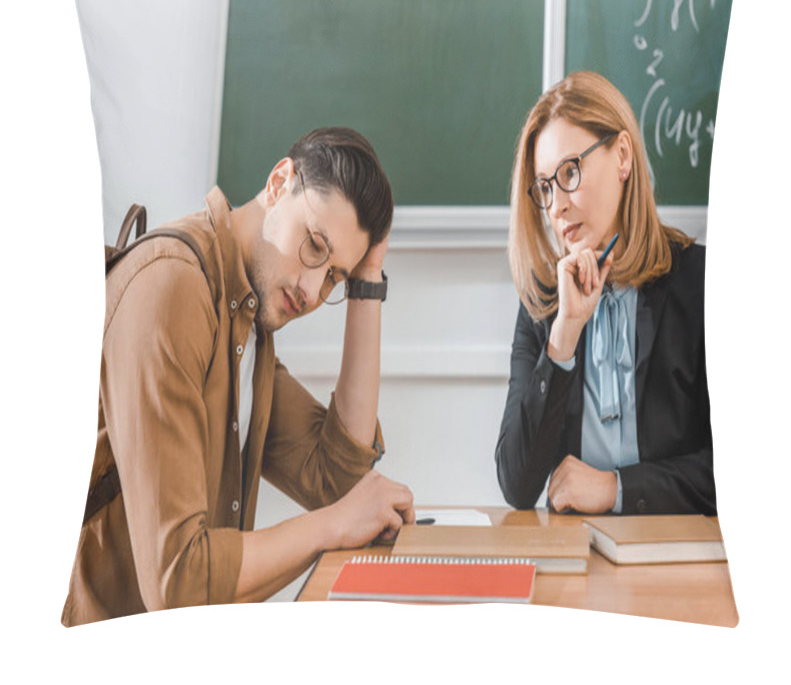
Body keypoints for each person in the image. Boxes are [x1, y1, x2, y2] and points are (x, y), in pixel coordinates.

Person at [62, 127, 415, 626]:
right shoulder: (175, 289)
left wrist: (368, 281)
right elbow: (176, 581)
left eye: (335, 275)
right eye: (315, 246)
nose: (313, 290)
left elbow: (338, 480)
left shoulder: (245, 317)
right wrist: (332, 526)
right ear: (278, 182)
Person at [495, 71, 716, 516]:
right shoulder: (544, 303)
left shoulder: (701, 282)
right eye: (544, 187)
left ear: (621, 157)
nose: (556, 206)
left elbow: (739, 469)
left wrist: (617, 488)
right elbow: (517, 485)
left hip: (676, 554)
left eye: (570, 172)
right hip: (580, 555)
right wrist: (564, 336)